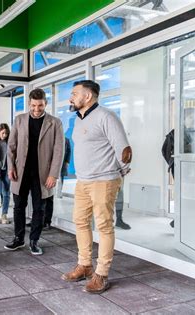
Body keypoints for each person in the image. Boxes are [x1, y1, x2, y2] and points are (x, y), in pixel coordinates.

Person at [61, 80, 132, 294]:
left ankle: (101, 273)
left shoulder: (106, 116)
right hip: (83, 181)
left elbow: (125, 152)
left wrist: (115, 176)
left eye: (74, 94)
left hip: (104, 181)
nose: (71, 98)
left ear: (88, 96)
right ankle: (85, 265)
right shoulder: (79, 120)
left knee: (104, 226)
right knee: (80, 222)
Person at [5, 88, 64, 255]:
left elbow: (59, 151)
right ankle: (18, 239)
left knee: (39, 208)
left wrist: (53, 174)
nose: (36, 109)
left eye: (40, 105)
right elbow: (11, 146)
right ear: (29, 103)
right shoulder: (19, 120)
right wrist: (10, 167)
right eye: (33, 105)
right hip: (21, 172)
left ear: (45, 103)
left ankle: (34, 241)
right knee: (18, 207)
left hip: (43, 174)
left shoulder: (55, 123)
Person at [44, 137, 71, 230]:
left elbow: (68, 151)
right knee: (41, 197)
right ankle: (39, 220)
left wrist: (67, 162)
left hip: (56, 169)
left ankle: (47, 221)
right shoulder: (48, 139)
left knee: (49, 197)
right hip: (44, 170)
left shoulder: (65, 140)